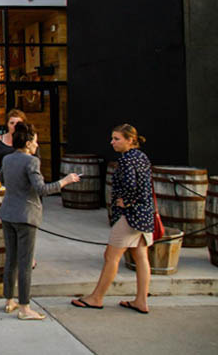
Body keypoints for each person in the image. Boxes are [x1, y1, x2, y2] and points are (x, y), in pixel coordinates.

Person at [0, 122, 80, 320]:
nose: (37, 145)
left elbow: (1, 178)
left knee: (11, 259)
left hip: (8, 212)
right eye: (35, 141)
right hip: (26, 215)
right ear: (28, 143)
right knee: (25, 263)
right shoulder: (31, 161)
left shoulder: (7, 159)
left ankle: (9, 300)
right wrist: (66, 181)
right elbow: (42, 189)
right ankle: (25, 307)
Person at [72, 124, 154, 314]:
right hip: (145, 214)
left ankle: (96, 297)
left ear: (130, 140)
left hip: (130, 216)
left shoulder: (126, 160)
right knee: (141, 256)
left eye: (117, 139)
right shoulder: (142, 157)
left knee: (111, 256)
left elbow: (131, 186)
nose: (112, 142)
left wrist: (125, 201)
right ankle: (141, 300)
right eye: (112, 138)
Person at [0, 109, 27, 174]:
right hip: (5, 178)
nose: (14, 126)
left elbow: (35, 159)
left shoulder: (28, 140)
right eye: (12, 123)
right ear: (7, 124)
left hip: (22, 177)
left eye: (18, 123)